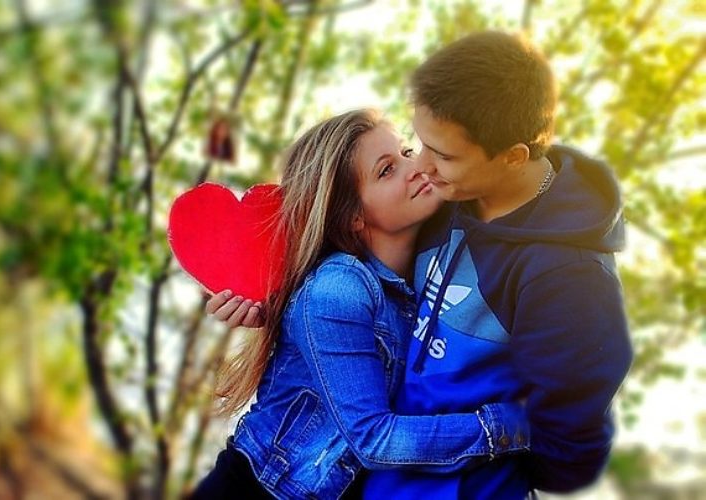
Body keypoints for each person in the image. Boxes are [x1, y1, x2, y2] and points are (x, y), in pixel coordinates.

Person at [209, 31, 634, 499]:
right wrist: (276, 303)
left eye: (420, 153)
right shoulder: (357, 273)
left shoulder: (549, 269)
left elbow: (567, 436)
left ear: (512, 158)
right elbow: (372, 432)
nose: (422, 167)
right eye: (399, 160)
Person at [192, 109, 530, 500]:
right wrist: (513, 425)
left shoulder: (419, 285)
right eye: (387, 170)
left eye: (405, 152)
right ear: (353, 215)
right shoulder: (339, 288)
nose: (415, 168)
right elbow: (374, 439)